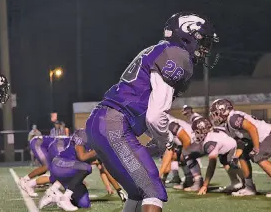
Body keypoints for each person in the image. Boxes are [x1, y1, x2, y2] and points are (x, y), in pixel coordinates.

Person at [85, 12, 219, 212]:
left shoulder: (160, 50)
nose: (205, 48)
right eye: (203, 41)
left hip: (101, 123)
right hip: (114, 124)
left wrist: (156, 138)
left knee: (138, 192)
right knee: (153, 191)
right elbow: (156, 117)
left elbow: (143, 109)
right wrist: (164, 141)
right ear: (189, 35)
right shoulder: (177, 55)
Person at [210, 99, 271, 197]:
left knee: (258, 157)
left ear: (224, 110)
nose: (215, 117)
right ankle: (249, 187)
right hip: (262, 137)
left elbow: (252, 128)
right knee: (243, 156)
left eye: (216, 113)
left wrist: (256, 148)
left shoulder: (233, 118)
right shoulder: (228, 125)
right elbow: (241, 141)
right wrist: (237, 155)